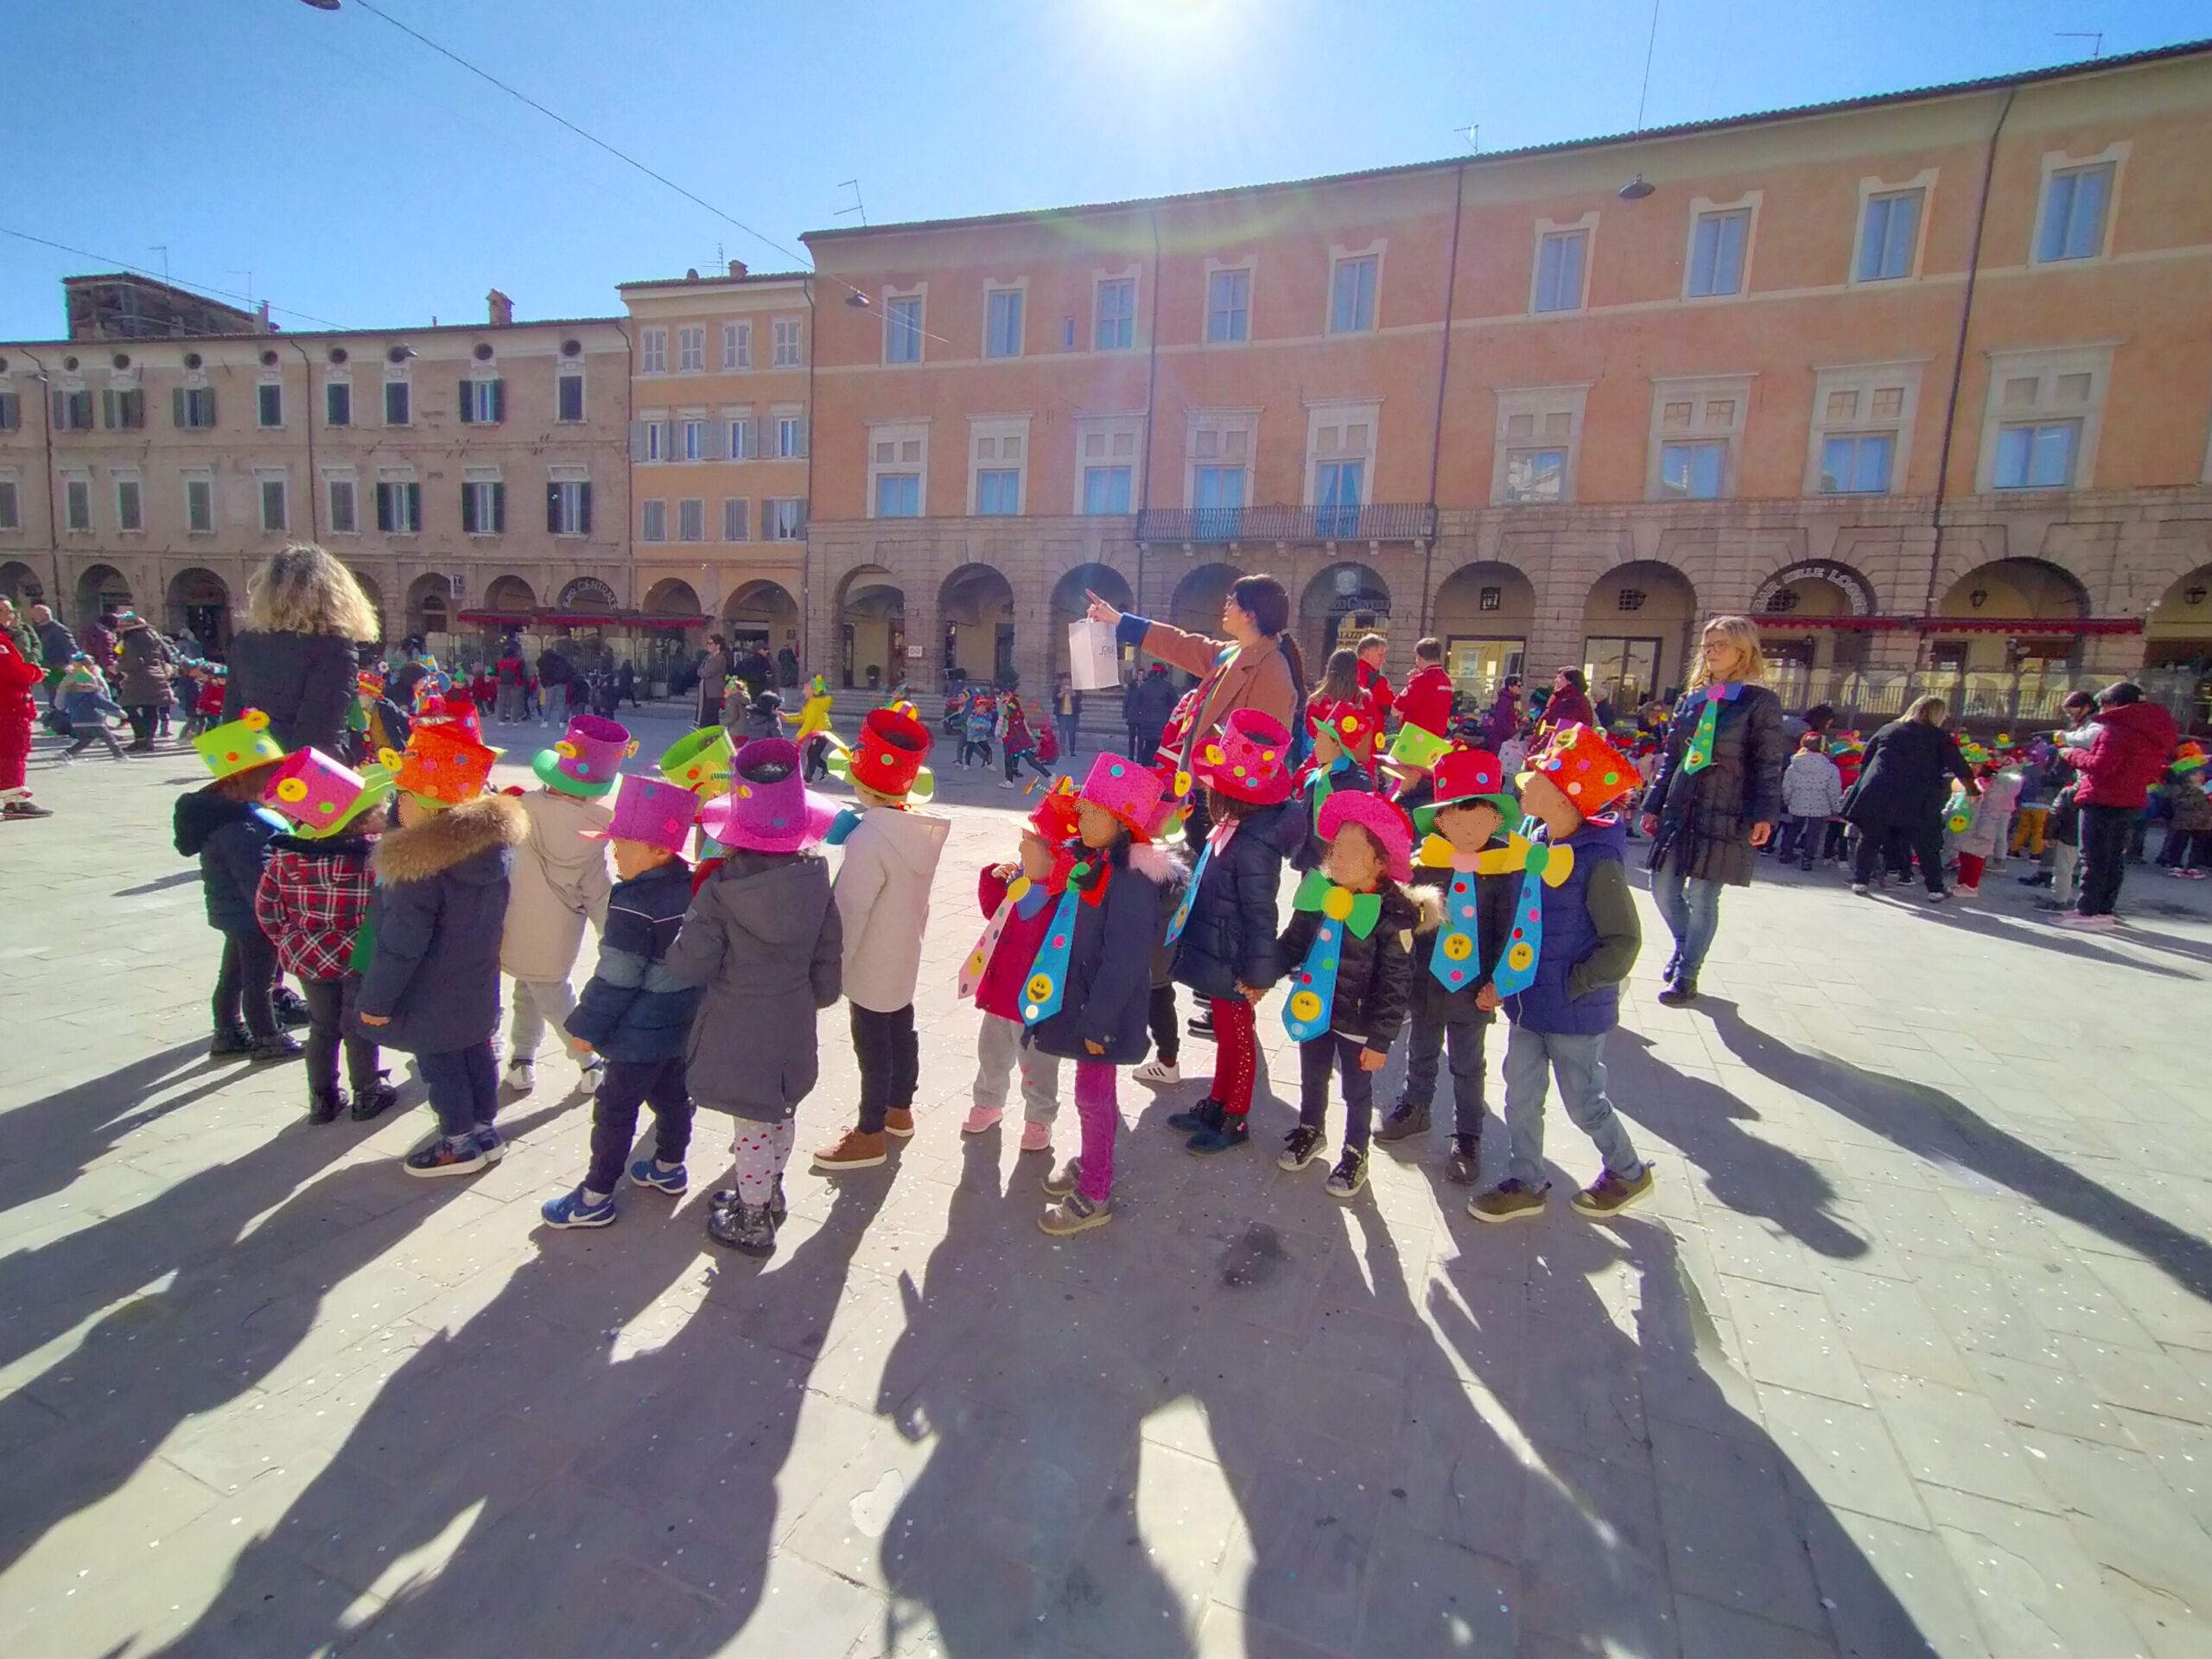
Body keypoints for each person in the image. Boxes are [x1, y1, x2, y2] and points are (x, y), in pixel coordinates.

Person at [1468, 724, 1653, 1224]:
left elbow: (1624, 942)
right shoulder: (1532, 837)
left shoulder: (1597, 861)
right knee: (1520, 1098)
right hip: (1528, 1002)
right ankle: (1527, 1181)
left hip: (1573, 1012)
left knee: (1584, 1103)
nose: (1525, 782)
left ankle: (1629, 1172)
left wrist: (1576, 983)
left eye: (1539, 778)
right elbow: (1515, 920)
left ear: (1567, 798)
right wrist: (1499, 980)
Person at [671, 741, 843, 1251]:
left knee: (750, 1118)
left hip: (737, 1017)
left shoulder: (722, 888)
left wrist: (676, 955)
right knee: (780, 1105)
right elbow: (828, 947)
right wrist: (820, 994)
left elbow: (693, 959)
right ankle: (770, 1190)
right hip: (791, 1012)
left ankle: (752, 1216)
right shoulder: (815, 879)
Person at [355, 718, 525, 1177]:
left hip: (431, 988)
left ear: (427, 808)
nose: (395, 807)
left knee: (442, 1063)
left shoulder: (417, 866)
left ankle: (457, 1144)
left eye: (402, 799)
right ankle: (485, 1130)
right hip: (476, 977)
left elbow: (400, 944)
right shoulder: (491, 851)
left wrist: (375, 1001)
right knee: (476, 1050)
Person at [539, 777, 706, 1231]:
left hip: (638, 1033)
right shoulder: (694, 888)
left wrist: (586, 1026)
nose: (614, 853)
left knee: (615, 1110)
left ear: (657, 851)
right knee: (673, 1097)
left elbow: (618, 976)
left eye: (624, 845)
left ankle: (595, 1196)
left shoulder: (633, 902)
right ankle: (669, 1167)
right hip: (682, 1021)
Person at [1026, 754, 1177, 1235]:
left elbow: (1125, 959)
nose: (1081, 818)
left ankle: (1095, 1189)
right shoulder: (1093, 861)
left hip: (1103, 1011)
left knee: (1092, 1095)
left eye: (1092, 812)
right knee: (1092, 1096)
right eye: (1083, 809)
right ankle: (1094, 1158)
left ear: (1121, 824)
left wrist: (1099, 1022)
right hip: (1084, 998)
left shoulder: (1130, 880)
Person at [816, 707, 949, 1170]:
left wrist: (830, 964)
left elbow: (851, 909)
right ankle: (899, 1110)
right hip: (904, 952)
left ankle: (869, 1132)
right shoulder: (914, 830)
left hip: (872, 958)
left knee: (871, 1043)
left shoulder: (870, 839)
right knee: (900, 1032)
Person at [1378, 748, 1519, 1182]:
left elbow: (1510, 929)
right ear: (1441, 821)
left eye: (1480, 822)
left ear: (1496, 821)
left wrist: (1498, 982)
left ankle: (1468, 1135)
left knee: (1467, 1064)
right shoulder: (1430, 862)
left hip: (1473, 986)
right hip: (1426, 981)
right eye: (1457, 821)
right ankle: (1415, 1107)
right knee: (1420, 1049)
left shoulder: (1504, 868)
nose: (1468, 831)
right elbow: (1409, 921)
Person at [1164, 712, 1300, 1154]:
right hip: (1223, 952)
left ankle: (1235, 1118)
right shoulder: (1232, 829)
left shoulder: (1254, 845)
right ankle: (1217, 1103)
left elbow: (1262, 914)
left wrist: (1260, 976)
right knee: (1225, 1031)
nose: (1206, 790)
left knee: (1238, 1038)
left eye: (1213, 785)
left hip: (1238, 960)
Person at [1274, 791, 1420, 1199]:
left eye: (1351, 851)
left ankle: (1356, 1152)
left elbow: (1396, 984)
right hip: (1316, 1007)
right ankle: (1310, 1130)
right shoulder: (1320, 893)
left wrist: (1381, 1039)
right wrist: (1261, 974)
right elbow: (1294, 942)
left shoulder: (1394, 917)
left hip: (1359, 1020)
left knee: (1356, 1092)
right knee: (1312, 1077)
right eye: (1335, 847)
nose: (1336, 857)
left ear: (1380, 862)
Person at [1638, 617, 1787, 1005]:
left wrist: (1764, 815)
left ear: (1743, 650)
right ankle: (1687, 947)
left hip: (1727, 809)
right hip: (1682, 805)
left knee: (1704, 896)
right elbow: (1672, 758)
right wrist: (1653, 804)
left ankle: (1687, 973)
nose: (1712, 651)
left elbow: (1768, 763)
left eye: (1721, 644)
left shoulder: (1759, 702)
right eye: (1708, 645)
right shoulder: (1693, 699)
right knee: (1664, 888)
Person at [1090, 574, 1306, 839]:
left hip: (1230, 805)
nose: (1225, 606)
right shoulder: (1234, 653)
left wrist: (1233, 810)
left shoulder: (1271, 667)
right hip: (1201, 789)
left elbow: (1263, 751)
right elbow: (1181, 644)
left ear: (1250, 614)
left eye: (1232, 601)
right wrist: (1119, 621)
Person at [254, 749, 398, 1123]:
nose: (385, 816)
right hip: (357, 956)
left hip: (307, 956)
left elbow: (267, 908)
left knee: (322, 1026)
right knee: (357, 1025)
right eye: (379, 811)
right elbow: (387, 909)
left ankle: (322, 1099)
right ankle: (367, 1091)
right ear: (362, 820)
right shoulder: (373, 859)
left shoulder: (286, 859)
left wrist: (287, 939)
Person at [499, 715, 624, 1092]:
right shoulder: (593, 833)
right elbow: (599, 893)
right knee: (546, 990)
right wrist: (615, 938)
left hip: (514, 919)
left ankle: (535, 1059)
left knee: (534, 987)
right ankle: (585, 1061)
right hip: (557, 931)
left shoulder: (518, 808)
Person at [175, 711, 299, 1061]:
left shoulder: (234, 817)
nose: (272, 790)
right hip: (252, 915)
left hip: (237, 915)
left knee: (233, 975)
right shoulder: (240, 829)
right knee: (257, 981)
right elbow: (256, 881)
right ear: (234, 785)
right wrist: (278, 914)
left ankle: (227, 1031)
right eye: (265, 783)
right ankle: (267, 1037)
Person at [958, 789, 1077, 1149]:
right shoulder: (1016, 885)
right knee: (991, 1056)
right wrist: (993, 881)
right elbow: (991, 914)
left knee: (1039, 1068)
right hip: (999, 996)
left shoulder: (1065, 902)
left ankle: (1039, 1120)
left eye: (1030, 844)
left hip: (1038, 1005)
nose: (1021, 850)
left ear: (1056, 857)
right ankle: (987, 1103)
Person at [222, 546, 373, 754]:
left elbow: (231, 720)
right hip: (299, 779)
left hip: (253, 767)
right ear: (334, 595)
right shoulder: (334, 649)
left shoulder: (245, 641)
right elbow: (320, 736)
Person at [2057, 681, 2181, 929]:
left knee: (2094, 857)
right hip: (2132, 799)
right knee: (2114, 857)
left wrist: (2071, 754)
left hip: (2102, 797)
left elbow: (2100, 766)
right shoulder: (2153, 730)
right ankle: (2104, 910)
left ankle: (2087, 911)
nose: (2101, 711)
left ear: (2113, 704)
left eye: (2103, 705)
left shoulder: (2116, 729)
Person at [1841, 695, 1977, 901]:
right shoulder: (1938, 737)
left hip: (1879, 789)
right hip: (1917, 794)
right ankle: (1935, 889)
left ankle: (1860, 881)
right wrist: (1972, 789)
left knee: (1870, 838)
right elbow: (1959, 765)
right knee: (1926, 844)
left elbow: (1867, 757)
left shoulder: (1889, 729)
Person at [1291, 704, 1380, 873]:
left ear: (1338, 745)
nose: (1315, 746)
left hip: (1337, 862)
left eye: (1320, 739)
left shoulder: (1356, 781)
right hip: (1310, 856)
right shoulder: (1316, 772)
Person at [1950, 750, 2024, 897]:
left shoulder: (1992, 785)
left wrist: (1985, 828)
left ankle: (1971, 886)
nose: (1973, 767)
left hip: (1981, 824)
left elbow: (1990, 808)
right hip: (1969, 822)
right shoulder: (1971, 781)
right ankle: (1962, 883)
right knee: (1965, 853)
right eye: (1970, 764)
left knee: (1976, 855)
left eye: (1977, 765)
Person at [1776, 734, 1843, 870]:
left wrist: (1788, 800)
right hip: (1820, 804)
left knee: (1794, 828)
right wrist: (1835, 806)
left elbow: (1787, 786)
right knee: (1814, 832)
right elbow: (1834, 789)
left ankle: (1786, 853)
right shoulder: (1830, 768)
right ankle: (1808, 859)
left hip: (1798, 800)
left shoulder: (1793, 765)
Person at [0, 625, 46, 819]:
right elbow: (11, 671)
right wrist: (35, 672)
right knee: (12, 752)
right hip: (8, 707)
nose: (7, 616)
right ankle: (15, 800)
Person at [114, 610, 175, 751]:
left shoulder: (131, 639)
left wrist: (118, 667)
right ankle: (149, 740)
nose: (119, 629)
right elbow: (166, 656)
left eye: (122, 626)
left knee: (127, 706)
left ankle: (141, 739)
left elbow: (135, 661)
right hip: (157, 675)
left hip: (139, 678)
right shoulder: (153, 636)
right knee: (150, 708)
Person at [1306, 648, 1378, 766]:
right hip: (1357, 766)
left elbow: (1311, 733)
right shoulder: (1365, 699)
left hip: (1324, 764)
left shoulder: (1317, 700)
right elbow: (1370, 731)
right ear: (1356, 671)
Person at [56, 654, 127, 760]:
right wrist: (117, 710)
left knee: (84, 741)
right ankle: (120, 755)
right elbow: (103, 703)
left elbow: (63, 704)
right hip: (94, 720)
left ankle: (67, 754)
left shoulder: (70, 695)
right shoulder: (93, 694)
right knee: (110, 739)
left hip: (77, 722)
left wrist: (61, 708)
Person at [1396, 638, 1454, 739]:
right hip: (1437, 738)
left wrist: (1411, 681)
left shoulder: (1420, 680)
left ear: (1419, 657)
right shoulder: (1446, 680)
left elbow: (1396, 709)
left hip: (1414, 737)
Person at [996, 690, 1053, 789]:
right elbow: (1025, 728)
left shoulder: (1011, 717)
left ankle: (1049, 775)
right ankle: (1009, 781)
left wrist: (998, 736)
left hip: (1016, 742)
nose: (1003, 708)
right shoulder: (1013, 717)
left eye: (1005, 706)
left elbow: (1025, 728)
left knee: (1025, 761)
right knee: (1014, 760)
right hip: (1017, 742)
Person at [29, 604, 74, 708]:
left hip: (58, 666)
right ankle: (55, 715)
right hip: (46, 666)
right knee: (51, 693)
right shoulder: (38, 629)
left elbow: (70, 645)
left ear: (45, 614)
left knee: (61, 693)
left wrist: (72, 662)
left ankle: (63, 716)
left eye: (36, 614)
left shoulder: (57, 628)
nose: (34, 617)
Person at [1354, 633, 1395, 729]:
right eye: (1380, 655)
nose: (1383, 660)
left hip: (1346, 730)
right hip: (1369, 733)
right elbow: (1391, 707)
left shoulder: (1345, 674)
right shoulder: (1378, 680)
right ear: (1366, 653)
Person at [1539, 666, 1595, 735]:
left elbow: (1561, 729)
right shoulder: (1564, 697)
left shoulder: (1571, 700)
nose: (1556, 680)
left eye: (1560, 678)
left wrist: (1539, 745)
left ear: (1570, 681)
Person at [1481, 676, 1523, 752]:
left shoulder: (1511, 699)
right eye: (1518, 686)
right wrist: (1512, 732)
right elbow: (1500, 718)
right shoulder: (1505, 700)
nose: (1520, 689)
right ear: (1510, 687)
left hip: (1503, 736)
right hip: (1499, 736)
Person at [536, 643, 572, 729]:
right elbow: (570, 670)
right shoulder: (562, 659)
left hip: (549, 684)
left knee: (548, 703)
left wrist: (544, 682)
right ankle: (562, 722)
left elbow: (542, 672)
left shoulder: (544, 661)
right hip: (562, 683)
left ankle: (545, 721)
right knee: (561, 703)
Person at [1052, 672, 1084, 761]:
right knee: (1062, 733)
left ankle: (1072, 751)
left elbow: (1080, 698)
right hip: (1062, 714)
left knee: (1072, 733)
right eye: (1065, 681)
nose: (1067, 683)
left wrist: (1073, 693)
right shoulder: (1058, 688)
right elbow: (1054, 700)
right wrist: (1061, 694)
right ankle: (1062, 751)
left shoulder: (1076, 688)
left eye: (1068, 681)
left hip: (1072, 714)